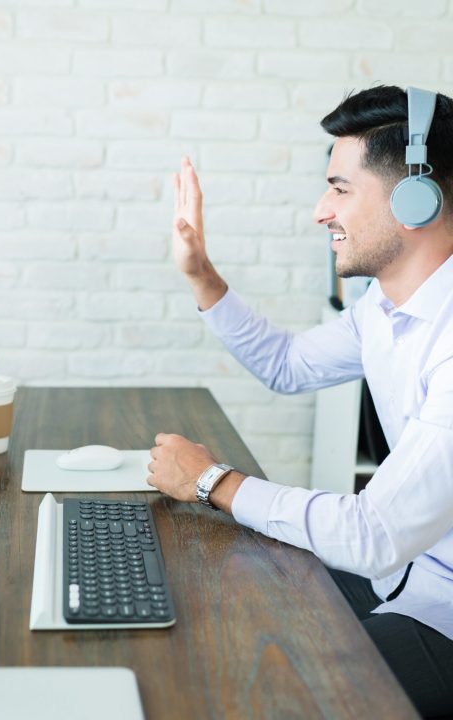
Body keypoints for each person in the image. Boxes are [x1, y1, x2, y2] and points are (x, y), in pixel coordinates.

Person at [147, 85, 453, 718]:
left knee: (267, 694)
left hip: (444, 613)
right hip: (409, 576)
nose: (321, 211)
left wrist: (211, 480)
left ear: (415, 197)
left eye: (340, 188)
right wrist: (201, 273)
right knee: (225, 601)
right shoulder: (387, 307)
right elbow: (288, 366)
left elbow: (375, 534)